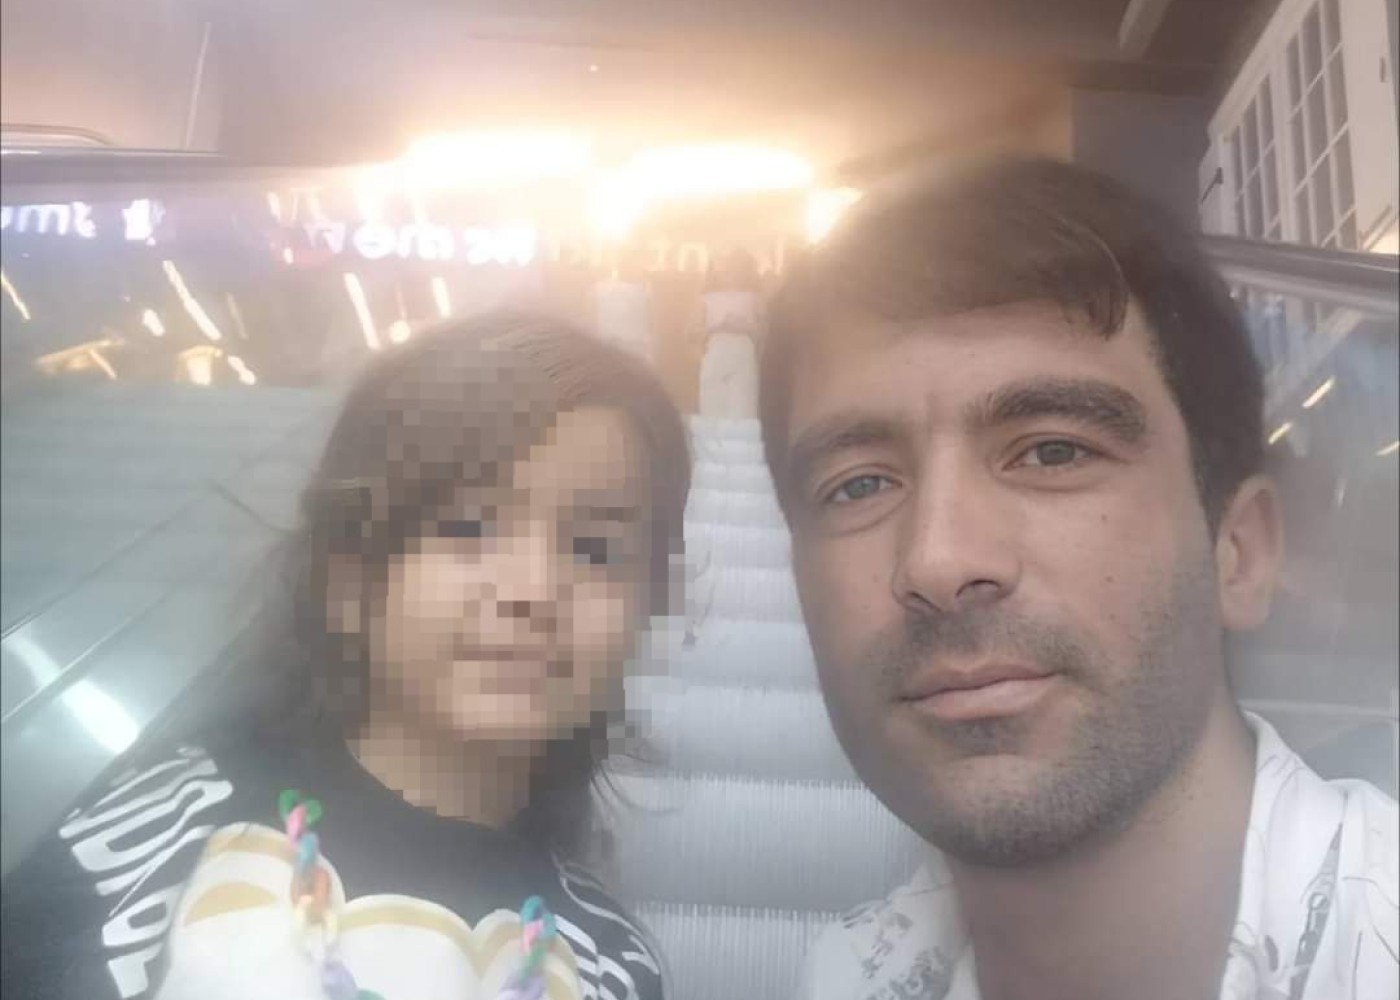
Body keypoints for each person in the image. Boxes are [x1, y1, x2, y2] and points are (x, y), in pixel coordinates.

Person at [757, 158, 1399, 1000]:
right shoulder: (848, 975)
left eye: (1054, 451)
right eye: (859, 485)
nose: (938, 562)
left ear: (1238, 550)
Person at [0, 313, 689, 1000]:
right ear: (346, 579)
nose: (534, 591)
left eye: (595, 550)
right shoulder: (154, 831)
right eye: (469, 526)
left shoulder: (608, 966)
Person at [695, 247, 765, 419]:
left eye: (736, 269)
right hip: (715, 353)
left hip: (743, 354)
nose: (731, 274)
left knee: (743, 405)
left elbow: (765, 330)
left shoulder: (754, 298)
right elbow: (690, 332)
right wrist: (717, 327)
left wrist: (747, 327)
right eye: (727, 269)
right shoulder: (706, 299)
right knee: (713, 405)